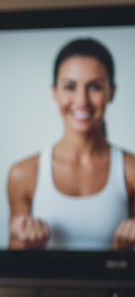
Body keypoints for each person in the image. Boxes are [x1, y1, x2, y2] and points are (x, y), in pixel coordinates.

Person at [7, 38, 135, 251]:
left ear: (112, 92)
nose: (81, 100)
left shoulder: (131, 171)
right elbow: (12, 268)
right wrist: (29, 247)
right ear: (54, 92)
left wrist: (122, 252)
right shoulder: (23, 174)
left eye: (94, 87)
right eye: (69, 86)